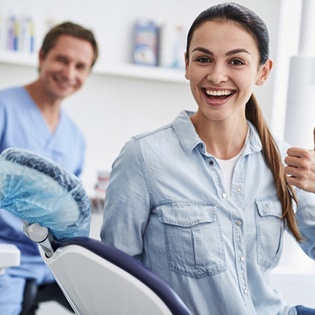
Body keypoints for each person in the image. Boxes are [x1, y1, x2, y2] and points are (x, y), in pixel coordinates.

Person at [101, 3, 315, 315]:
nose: (217, 76)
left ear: (263, 72)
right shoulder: (144, 158)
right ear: (186, 64)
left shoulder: (286, 162)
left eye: (236, 61)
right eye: (203, 59)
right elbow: (115, 283)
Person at [0, 21, 98, 315]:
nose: (69, 73)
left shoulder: (75, 138)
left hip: (52, 260)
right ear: (42, 57)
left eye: (80, 66)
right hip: (6, 257)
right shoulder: (5, 108)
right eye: (62, 59)